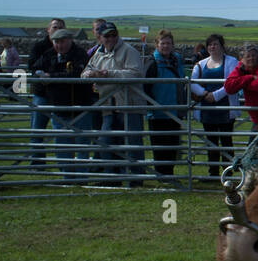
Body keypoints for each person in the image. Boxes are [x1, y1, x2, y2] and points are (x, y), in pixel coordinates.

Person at [82, 22, 146, 184]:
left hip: (129, 104)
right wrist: (90, 74)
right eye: (107, 36)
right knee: (106, 142)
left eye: (113, 35)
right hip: (108, 105)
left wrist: (106, 74)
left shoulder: (129, 51)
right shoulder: (98, 54)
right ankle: (112, 177)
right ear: (100, 37)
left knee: (132, 143)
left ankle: (137, 178)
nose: (110, 38)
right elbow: (84, 73)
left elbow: (135, 73)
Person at [36, 29, 95, 181]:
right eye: (56, 42)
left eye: (62, 42)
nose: (59, 45)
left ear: (70, 40)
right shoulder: (48, 54)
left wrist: (51, 77)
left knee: (82, 141)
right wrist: (40, 76)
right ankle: (67, 176)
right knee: (62, 143)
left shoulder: (80, 54)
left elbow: (77, 73)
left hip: (81, 104)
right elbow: (35, 68)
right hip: (59, 105)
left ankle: (82, 176)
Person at [190, 34, 240, 178]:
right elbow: (193, 83)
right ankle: (212, 172)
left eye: (216, 44)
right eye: (210, 44)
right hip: (207, 109)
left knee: (226, 141)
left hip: (226, 108)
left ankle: (227, 172)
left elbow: (232, 81)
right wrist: (206, 94)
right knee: (211, 142)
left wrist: (216, 95)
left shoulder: (232, 62)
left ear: (222, 46)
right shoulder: (200, 64)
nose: (213, 47)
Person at [144, 30, 187, 178]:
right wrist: (152, 107)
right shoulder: (152, 63)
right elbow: (145, 88)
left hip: (175, 111)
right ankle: (162, 175)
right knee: (160, 147)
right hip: (158, 113)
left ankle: (169, 174)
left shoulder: (177, 61)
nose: (166, 46)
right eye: (163, 43)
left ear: (173, 45)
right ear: (157, 45)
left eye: (168, 43)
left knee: (173, 145)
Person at [28, 18, 67, 167]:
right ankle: (37, 162)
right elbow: (31, 66)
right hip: (42, 94)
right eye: (55, 27)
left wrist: (51, 76)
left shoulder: (68, 47)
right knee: (37, 129)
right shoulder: (40, 46)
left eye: (61, 27)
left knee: (61, 130)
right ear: (48, 30)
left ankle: (64, 164)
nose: (57, 30)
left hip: (60, 95)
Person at [224, 44, 258, 129]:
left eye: (253, 55)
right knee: (255, 142)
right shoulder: (242, 67)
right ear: (242, 59)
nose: (251, 58)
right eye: (248, 56)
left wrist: (242, 84)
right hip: (257, 119)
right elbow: (228, 87)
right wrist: (249, 77)